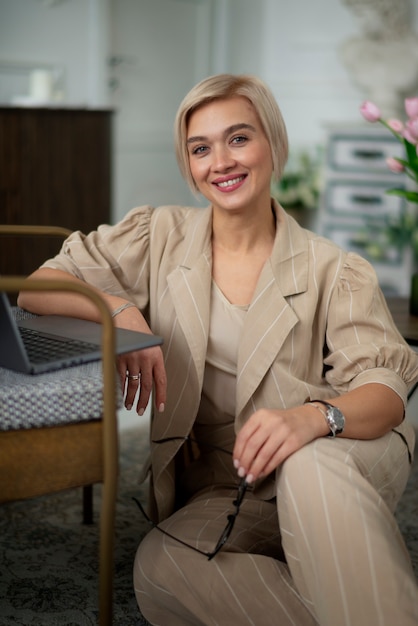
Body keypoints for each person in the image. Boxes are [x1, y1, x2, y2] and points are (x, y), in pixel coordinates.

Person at [18, 74, 418, 626]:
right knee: (162, 568)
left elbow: (387, 393)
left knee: (306, 466)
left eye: (238, 138)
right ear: (188, 165)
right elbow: (40, 286)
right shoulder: (155, 236)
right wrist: (119, 309)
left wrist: (311, 419)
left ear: (272, 143)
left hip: (332, 460)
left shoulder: (337, 269)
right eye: (200, 148)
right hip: (230, 487)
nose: (220, 162)